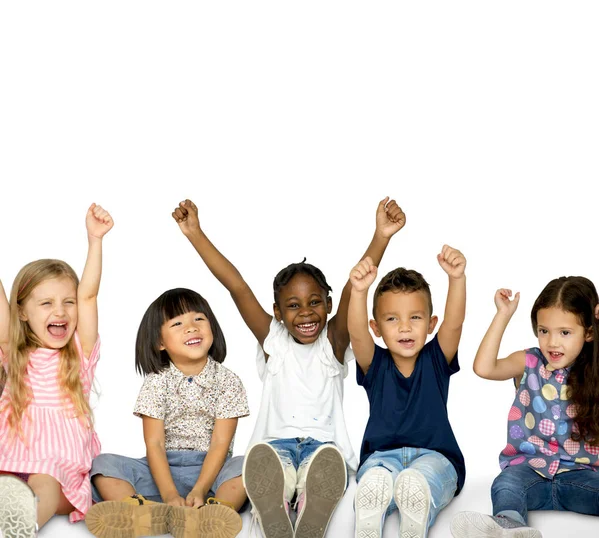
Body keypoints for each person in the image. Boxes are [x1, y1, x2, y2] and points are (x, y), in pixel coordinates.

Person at [172, 197, 404, 538]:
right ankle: (276, 507)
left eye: (314, 303)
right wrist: (195, 233)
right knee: (273, 473)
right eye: (293, 306)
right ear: (278, 312)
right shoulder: (274, 341)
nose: (306, 313)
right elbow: (236, 285)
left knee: (322, 469)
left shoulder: (333, 343)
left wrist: (381, 236)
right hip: (274, 448)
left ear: (327, 304)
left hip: (324, 451)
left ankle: (312, 507)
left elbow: (356, 287)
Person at [86, 288, 249, 538]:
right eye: (178, 323)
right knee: (103, 464)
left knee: (245, 466)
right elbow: (155, 443)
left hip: (212, 471)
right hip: (161, 469)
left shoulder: (228, 381)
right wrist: (170, 494)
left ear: (212, 329)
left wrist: (199, 489)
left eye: (199, 319)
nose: (192, 327)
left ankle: (215, 513)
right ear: (160, 343)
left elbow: (219, 443)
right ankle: (140, 511)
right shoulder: (156, 382)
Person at [451, 277, 599, 538]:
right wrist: (503, 315)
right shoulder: (530, 361)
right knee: (505, 485)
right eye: (544, 330)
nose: (552, 342)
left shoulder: (595, 370)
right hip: (531, 473)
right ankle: (510, 527)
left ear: (588, 332)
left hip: (582, 477)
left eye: (565, 332)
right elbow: (484, 368)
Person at [0, 204, 113, 536]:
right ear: (21, 313)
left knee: (44, 483)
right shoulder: (13, 351)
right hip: (9, 457)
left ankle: (18, 525)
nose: (60, 311)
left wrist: (95, 240)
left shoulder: (79, 352)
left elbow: (89, 295)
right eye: (46, 303)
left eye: (68, 301)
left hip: (57, 467)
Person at [349, 239, 467, 538]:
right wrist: (359, 291)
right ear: (377, 328)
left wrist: (456, 279)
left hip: (435, 455)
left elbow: (454, 324)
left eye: (415, 317)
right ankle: (369, 514)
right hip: (381, 457)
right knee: (377, 477)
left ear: (430, 323)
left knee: (425, 477)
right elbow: (355, 332)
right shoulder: (374, 363)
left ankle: (418, 506)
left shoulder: (437, 359)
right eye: (392, 319)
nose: (404, 327)